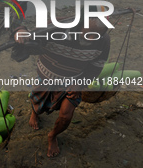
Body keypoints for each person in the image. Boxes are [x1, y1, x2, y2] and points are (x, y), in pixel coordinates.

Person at [13, 14, 110, 157]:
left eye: (97, 35)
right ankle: (34, 113)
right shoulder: (57, 27)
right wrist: (20, 31)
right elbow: (29, 36)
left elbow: (96, 66)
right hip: (46, 75)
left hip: (72, 81)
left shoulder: (104, 41)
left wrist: (80, 83)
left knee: (66, 115)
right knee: (36, 100)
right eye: (88, 34)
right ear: (81, 23)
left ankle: (52, 135)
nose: (90, 39)